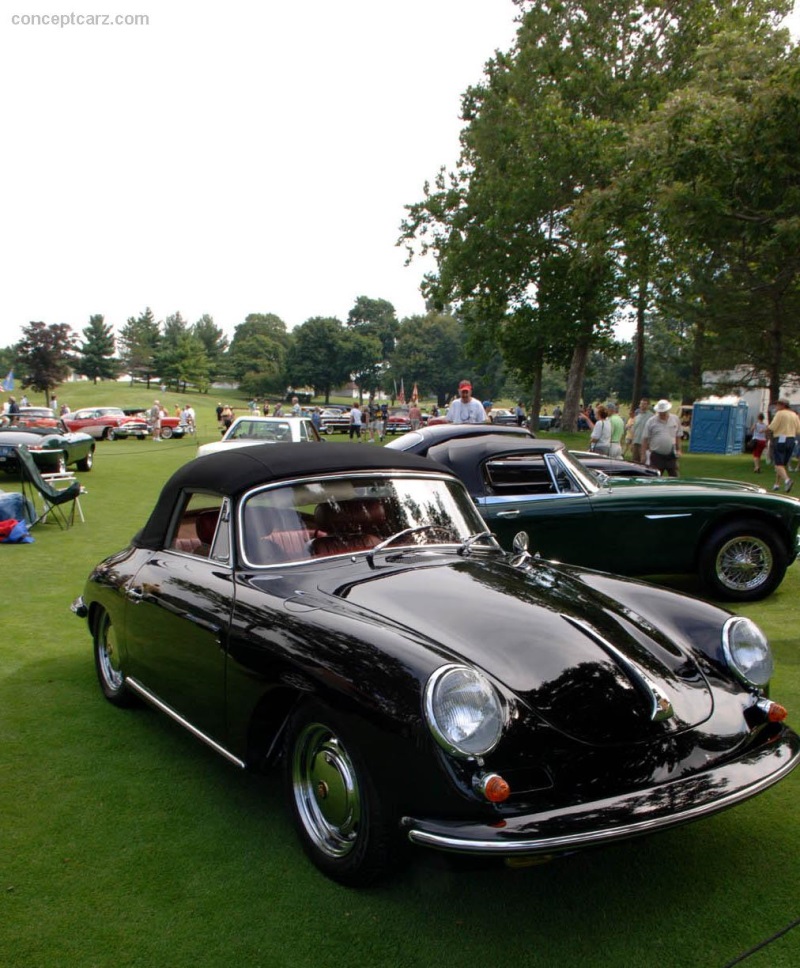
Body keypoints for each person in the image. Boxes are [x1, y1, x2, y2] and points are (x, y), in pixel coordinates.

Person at [767, 400, 800, 492]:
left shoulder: (780, 413)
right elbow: (798, 430)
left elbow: (772, 426)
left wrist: (766, 430)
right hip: (791, 439)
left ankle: (787, 480)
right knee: (782, 465)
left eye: (777, 405)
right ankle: (777, 484)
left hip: (781, 438)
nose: (776, 407)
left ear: (782, 405)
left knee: (778, 464)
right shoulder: (794, 414)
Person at [645, 399, 682, 476]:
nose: (662, 414)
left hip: (671, 454)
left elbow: (678, 436)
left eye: (664, 412)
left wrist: (678, 449)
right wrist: (644, 454)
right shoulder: (651, 421)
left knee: (674, 476)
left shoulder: (675, 419)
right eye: (660, 413)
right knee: (655, 476)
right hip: (656, 455)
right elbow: (645, 438)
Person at [630, 398, 651, 464]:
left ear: (648, 405)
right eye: (641, 404)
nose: (642, 405)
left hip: (644, 444)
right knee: (635, 461)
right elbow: (634, 430)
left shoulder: (651, 416)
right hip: (636, 442)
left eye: (644, 404)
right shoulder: (637, 416)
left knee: (643, 461)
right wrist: (632, 443)